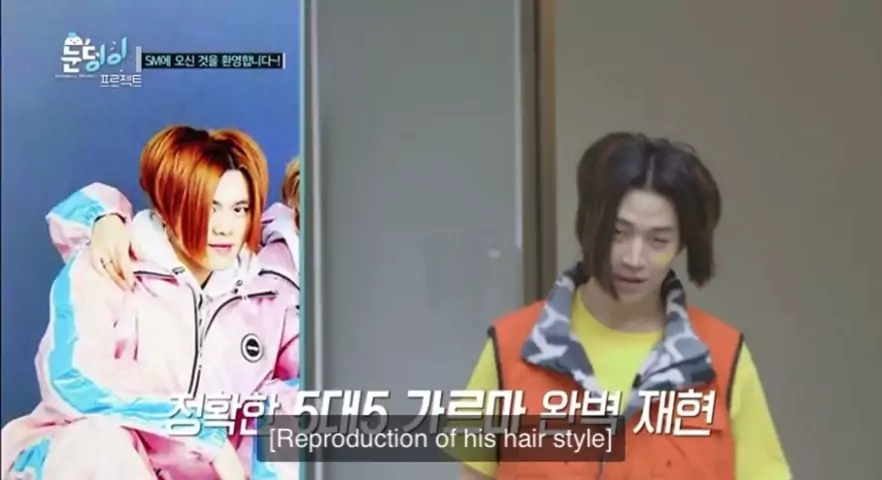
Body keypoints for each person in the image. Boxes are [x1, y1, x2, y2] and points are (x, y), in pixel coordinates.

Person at [455, 132, 791, 479]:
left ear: (681, 245)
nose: (634, 258)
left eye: (658, 240)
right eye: (618, 232)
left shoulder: (721, 357)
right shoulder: (510, 346)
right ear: (588, 226)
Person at [1, 126, 300, 480]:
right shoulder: (110, 263)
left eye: (240, 209)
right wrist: (204, 434)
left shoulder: (268, 294)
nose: (225, 227)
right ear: (168, 205)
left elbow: (312, 389)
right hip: (93, 461)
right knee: (99, 443)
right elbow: (72, 377)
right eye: (207, 207)